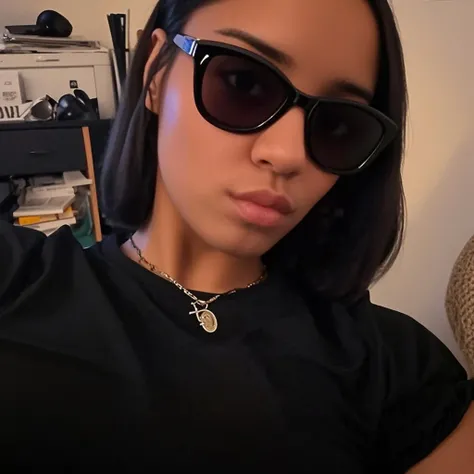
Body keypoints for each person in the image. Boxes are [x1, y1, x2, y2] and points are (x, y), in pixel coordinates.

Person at [0, 0, 472, 472]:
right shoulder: (17, 284)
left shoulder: (395, 368)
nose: (288, 154)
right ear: (155, 74)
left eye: (337, 124)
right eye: (244, 83)